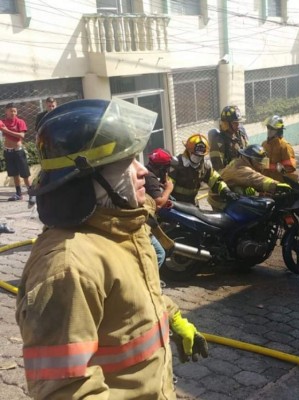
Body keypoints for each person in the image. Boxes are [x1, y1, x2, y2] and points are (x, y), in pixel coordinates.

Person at [15, 98, 208, 400]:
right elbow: (68, 391)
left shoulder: (125, 229)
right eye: (127, 162)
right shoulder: (68, 268)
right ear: (87, 178)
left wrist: (174, 318)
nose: (144, 170)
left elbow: (136, 300)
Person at [208, 144, 292, 211]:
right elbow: (256, 179)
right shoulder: (241, 168)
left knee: (252, 192)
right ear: (250, 159)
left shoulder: (241, 161)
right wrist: (276, 185)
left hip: (227, 192)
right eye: (259, 161)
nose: (261, 164)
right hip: (220, 200)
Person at [168, 133, 239, 206]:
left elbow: (216, 181)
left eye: (200, 156)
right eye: (195, 154)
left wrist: (226, 191)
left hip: (191, 205)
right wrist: (167, 196)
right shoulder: (176, 164)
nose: (198, 157)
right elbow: (168, 183)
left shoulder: (204, 167)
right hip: (175, 205)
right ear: (188, 151)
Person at [144, 148, 176, 268]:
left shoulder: (147, 173)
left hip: (146, 220)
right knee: (159, 253)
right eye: (167, 168)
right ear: (161, 168)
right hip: (145, 222)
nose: (168, 171)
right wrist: (168, 189)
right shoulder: (150, 178)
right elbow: (157, 203)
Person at [1, 103, 35, 205]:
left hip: (18, 151)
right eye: (11, 111)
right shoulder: (3, 122)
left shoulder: (20, 122)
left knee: (25, 174)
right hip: (8, 151)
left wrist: (6, 130)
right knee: (14, 174)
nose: (13, 113)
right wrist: (5, 130)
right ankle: (18, 194)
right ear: (6, 112)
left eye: (15, 111)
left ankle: (31, 194)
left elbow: (22, 135)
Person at [208, 105, 248, 171]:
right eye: (235, 123)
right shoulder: (219, 142)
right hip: (230, 177)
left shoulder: (241, 135)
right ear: (226, 124)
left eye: (238, 122)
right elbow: (218, 169)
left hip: (244, 172)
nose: (238, 125)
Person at [261, 115, 298, 182]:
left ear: (278, 130)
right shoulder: (264, 144)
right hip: (266, 183)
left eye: (272, 129)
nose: (269, 130)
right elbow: (262, 164)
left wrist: (279, 168)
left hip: (279, 183)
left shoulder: (285, 146)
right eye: (268, 128)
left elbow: (290, 168)